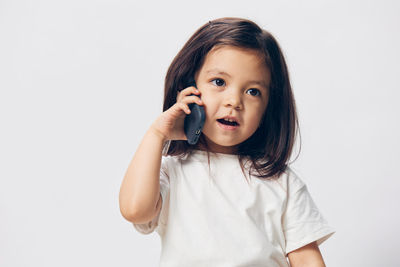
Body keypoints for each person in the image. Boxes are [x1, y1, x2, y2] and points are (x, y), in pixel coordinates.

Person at [119, 17, 336, 267]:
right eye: (219, 82)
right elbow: (135, 210)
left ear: (268, 108)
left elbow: (307, 259)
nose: (234, 101)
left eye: (253, 91)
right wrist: (157, 134)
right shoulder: (173, 173)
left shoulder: (282, 183)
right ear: (190, 89)